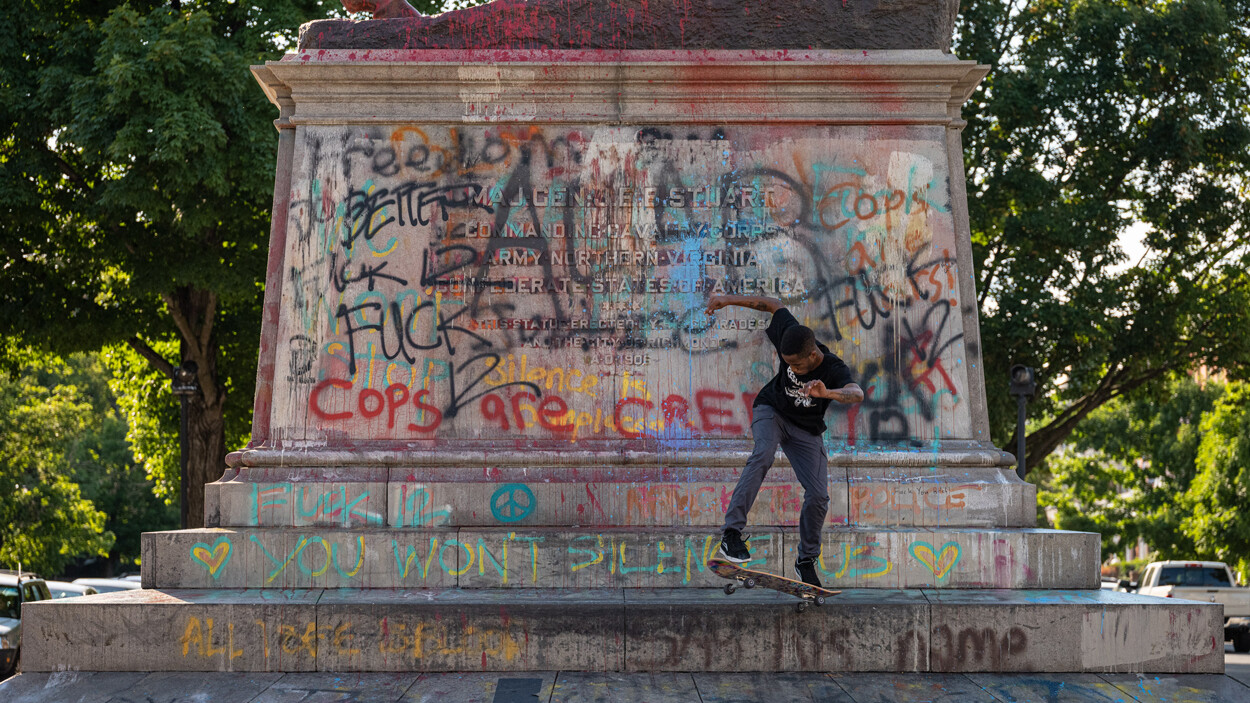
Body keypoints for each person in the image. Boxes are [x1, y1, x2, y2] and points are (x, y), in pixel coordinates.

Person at [705, 294, 863, 588]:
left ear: (813, 356)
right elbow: (773, 304)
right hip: (771, 410)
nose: (791, 368)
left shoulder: (832, 367)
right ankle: (731, 535)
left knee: (818, 496)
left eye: (797, 366)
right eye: (787, 363)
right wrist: (727, 300)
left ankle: (806, 560)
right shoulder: (790, 334)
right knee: (763, 454)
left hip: (806, 429)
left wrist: (827, 393)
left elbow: (857, 393)